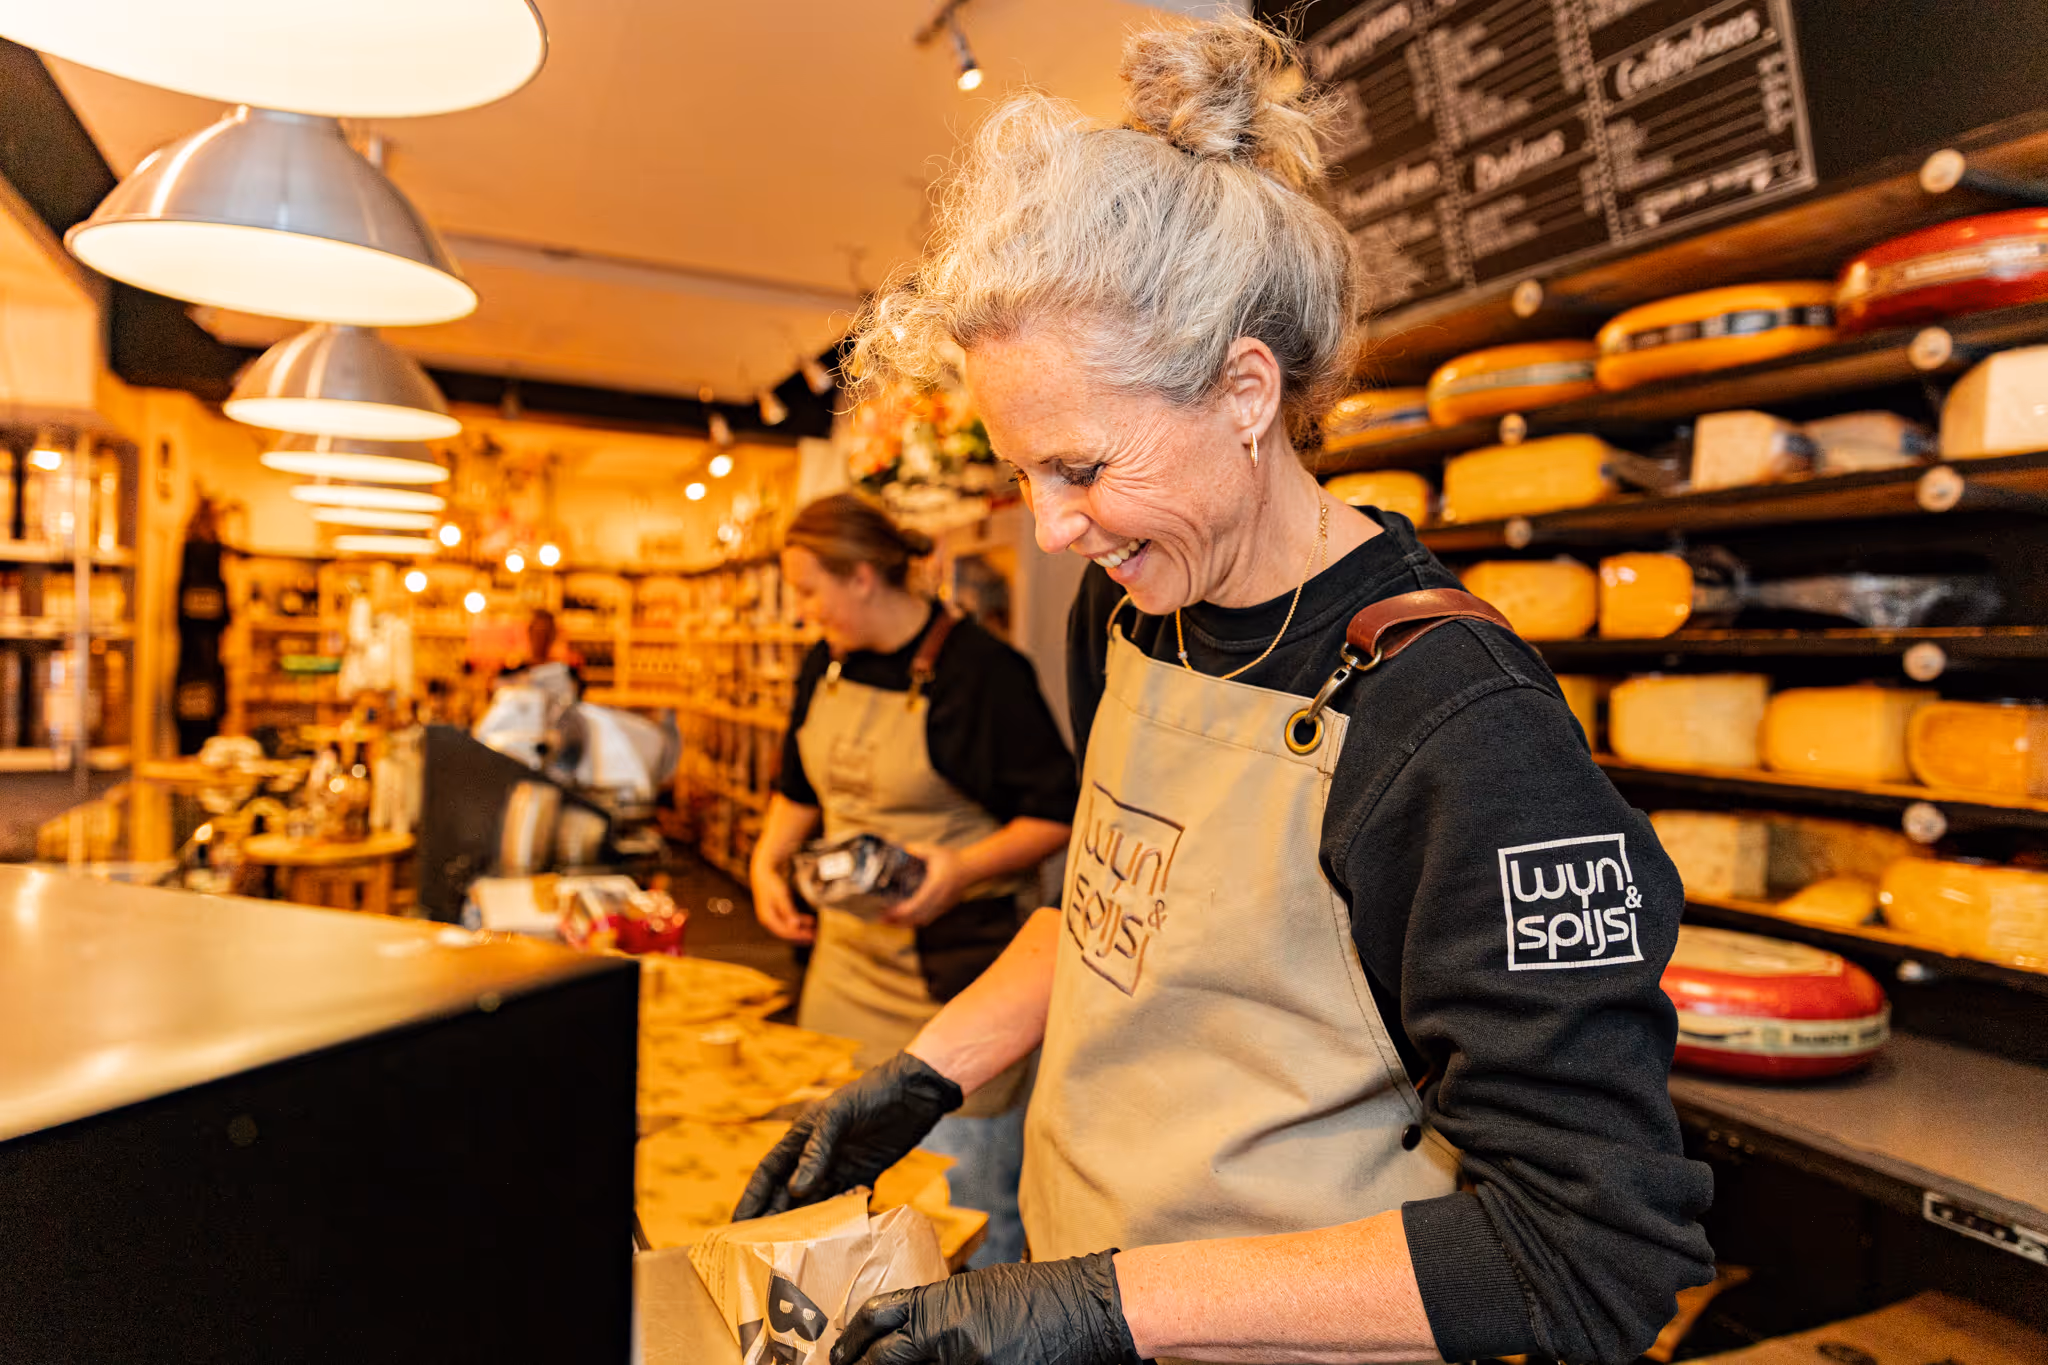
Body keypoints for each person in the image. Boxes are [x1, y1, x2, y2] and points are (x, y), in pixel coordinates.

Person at [734, 17, 1714, 1365]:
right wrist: (927, 1073)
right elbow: (1113, 909)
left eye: (1081, 468)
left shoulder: (1459, 729)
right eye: (1023, 472)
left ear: (1246, 392)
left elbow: (1588, 1253)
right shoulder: (1136, 607)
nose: (1051, 526)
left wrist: (1105, 1306)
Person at [749, 492, 1077, 1267]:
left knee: (964, 1221)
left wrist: (959, 866)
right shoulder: (823, 664)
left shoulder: (982, 672)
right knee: (840, 1209)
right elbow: (799, 785)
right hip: (841, 977)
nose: (800, 611)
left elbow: (1061, 812)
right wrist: (768, 860)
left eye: (806, 589)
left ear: (862, 576)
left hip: (955, 991)